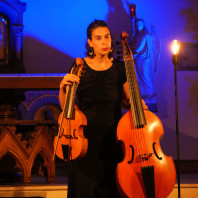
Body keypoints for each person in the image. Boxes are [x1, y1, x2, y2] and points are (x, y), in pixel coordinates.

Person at [59, 19, 146, 198]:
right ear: (89, 42)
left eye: (106, 37)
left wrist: (138, 103)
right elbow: (67, 108)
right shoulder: (78, 67)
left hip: (113, 138)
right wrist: (62, 87)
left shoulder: (120, 68)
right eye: (98, 38)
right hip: (83, 140)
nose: (104, 42)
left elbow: (127, 101)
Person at [133, 18, 160, 108]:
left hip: (145, 60)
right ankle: (143, 94)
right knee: (139, 78)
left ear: (143, 25)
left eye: (140, 24)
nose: (138, 26)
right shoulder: (136, 36)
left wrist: (134, 54)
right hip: (138, 59)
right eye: (137, 25)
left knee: (146, 78)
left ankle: (150, 94)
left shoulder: (145, 36)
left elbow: (140, 46)